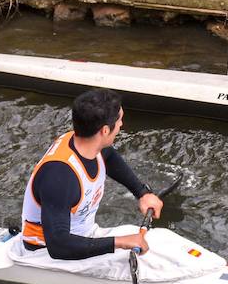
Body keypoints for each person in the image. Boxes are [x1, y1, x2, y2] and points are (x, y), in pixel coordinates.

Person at [11, 87, 163, 267]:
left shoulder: (85, 142)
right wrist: (119, 242)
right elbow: (58, 246)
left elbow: (109, 157)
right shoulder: (59, 176)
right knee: (150, 264)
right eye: (120, 120)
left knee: (163, 240)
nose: (122, 125)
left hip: (83, 237)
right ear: (105, 130)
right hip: (46, 253)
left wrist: (142, 193)